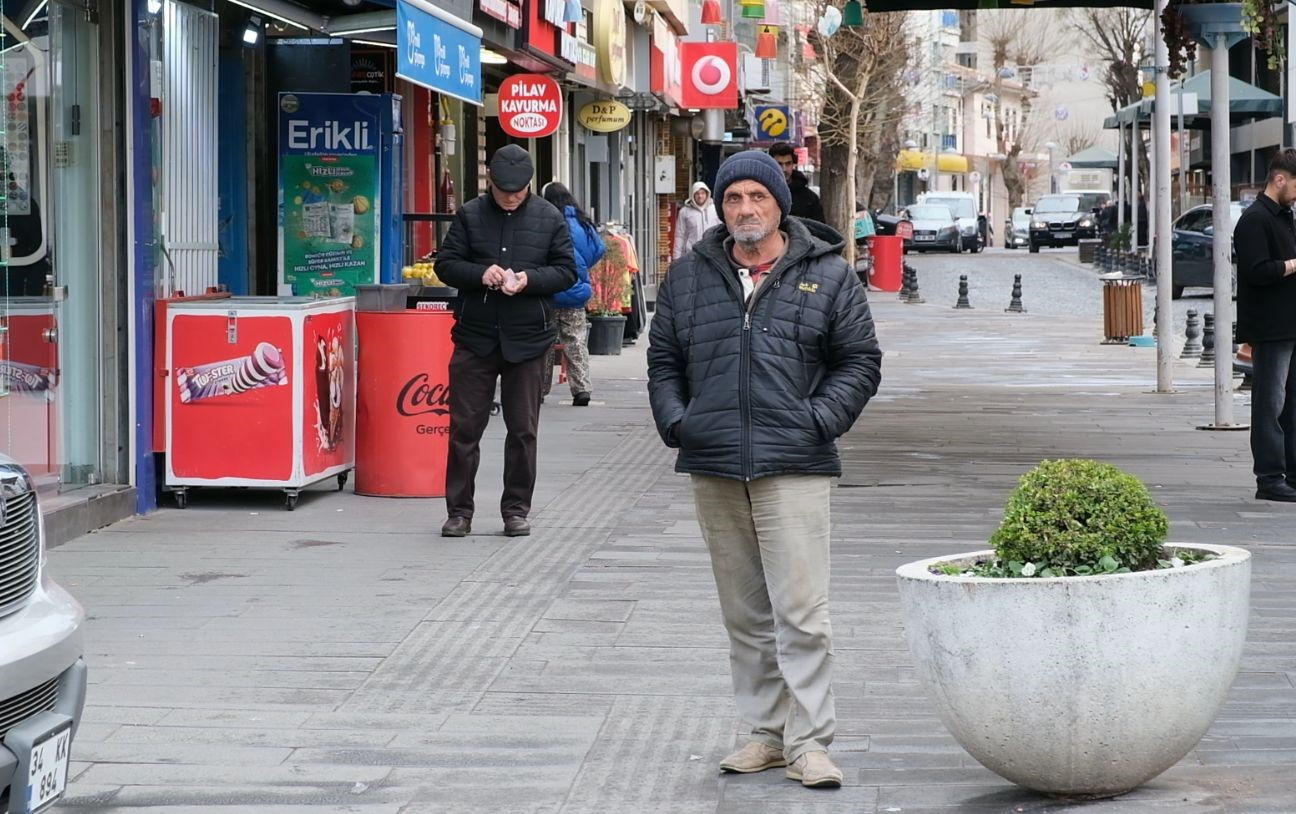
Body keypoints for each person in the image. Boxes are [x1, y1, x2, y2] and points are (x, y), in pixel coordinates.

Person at [647, 150, 883, 789]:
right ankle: (765, 734)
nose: (745, 209)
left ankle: (809, 742)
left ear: (780, 204)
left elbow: (859, 361)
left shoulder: (829, 275)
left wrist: (817, 421)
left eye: (757, 196)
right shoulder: (689, 277)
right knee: (744, 614)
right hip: (715, 461)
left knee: (802, 613)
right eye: (733, 198)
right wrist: (680, 423)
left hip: (794, 463)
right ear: (719, 208)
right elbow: (664, 360)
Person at [435, 145, 577, 537]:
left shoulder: (549, 217)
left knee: (523, 431)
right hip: (475, 337)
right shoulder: (470, 214)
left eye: (517, 192)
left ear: (529, 185)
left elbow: (567, 272)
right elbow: (445, 264)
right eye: (503, 192)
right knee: (464, 430)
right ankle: (459, 512)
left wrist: (529, 280)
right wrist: (480, 274)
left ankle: (516, 510)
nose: (511, 198)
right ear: (491, 184)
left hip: (529, 339)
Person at [1234, 148, 1296, 502]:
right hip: (1271, 329)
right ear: (1280, 179)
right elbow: (1256, 271)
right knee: (1270, 405)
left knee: (1291, 405)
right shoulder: (1255, 220)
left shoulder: (1285, 216)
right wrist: (1293, 264)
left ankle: (1291, 475)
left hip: (1289, 325)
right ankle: (1270, 479)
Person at [540, 182, 603, 406]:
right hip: (576, 292)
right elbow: (599, 249)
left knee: (544, 343)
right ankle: (581, 388)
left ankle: (539, 389)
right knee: (576, 341)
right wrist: (581, 268)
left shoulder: (545, 221)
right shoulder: (582, 222)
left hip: (548, 290)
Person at [768, 143, 825, 223]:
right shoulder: (762, 193)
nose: (784, 169)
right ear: (771, 165)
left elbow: (818, 228)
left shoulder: (809, 198)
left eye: (788, 163)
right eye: (779, 164)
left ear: (793, 164)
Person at [673, 181, 720, 260]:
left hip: (712, 253)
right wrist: (676, 257)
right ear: (692, 195)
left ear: (707, 194)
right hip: (692, 254)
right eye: (697, 193)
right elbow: (680, 235)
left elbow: (721, 231)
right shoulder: (684, 212)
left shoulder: (715, 209)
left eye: (702, 193)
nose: (700, 196)